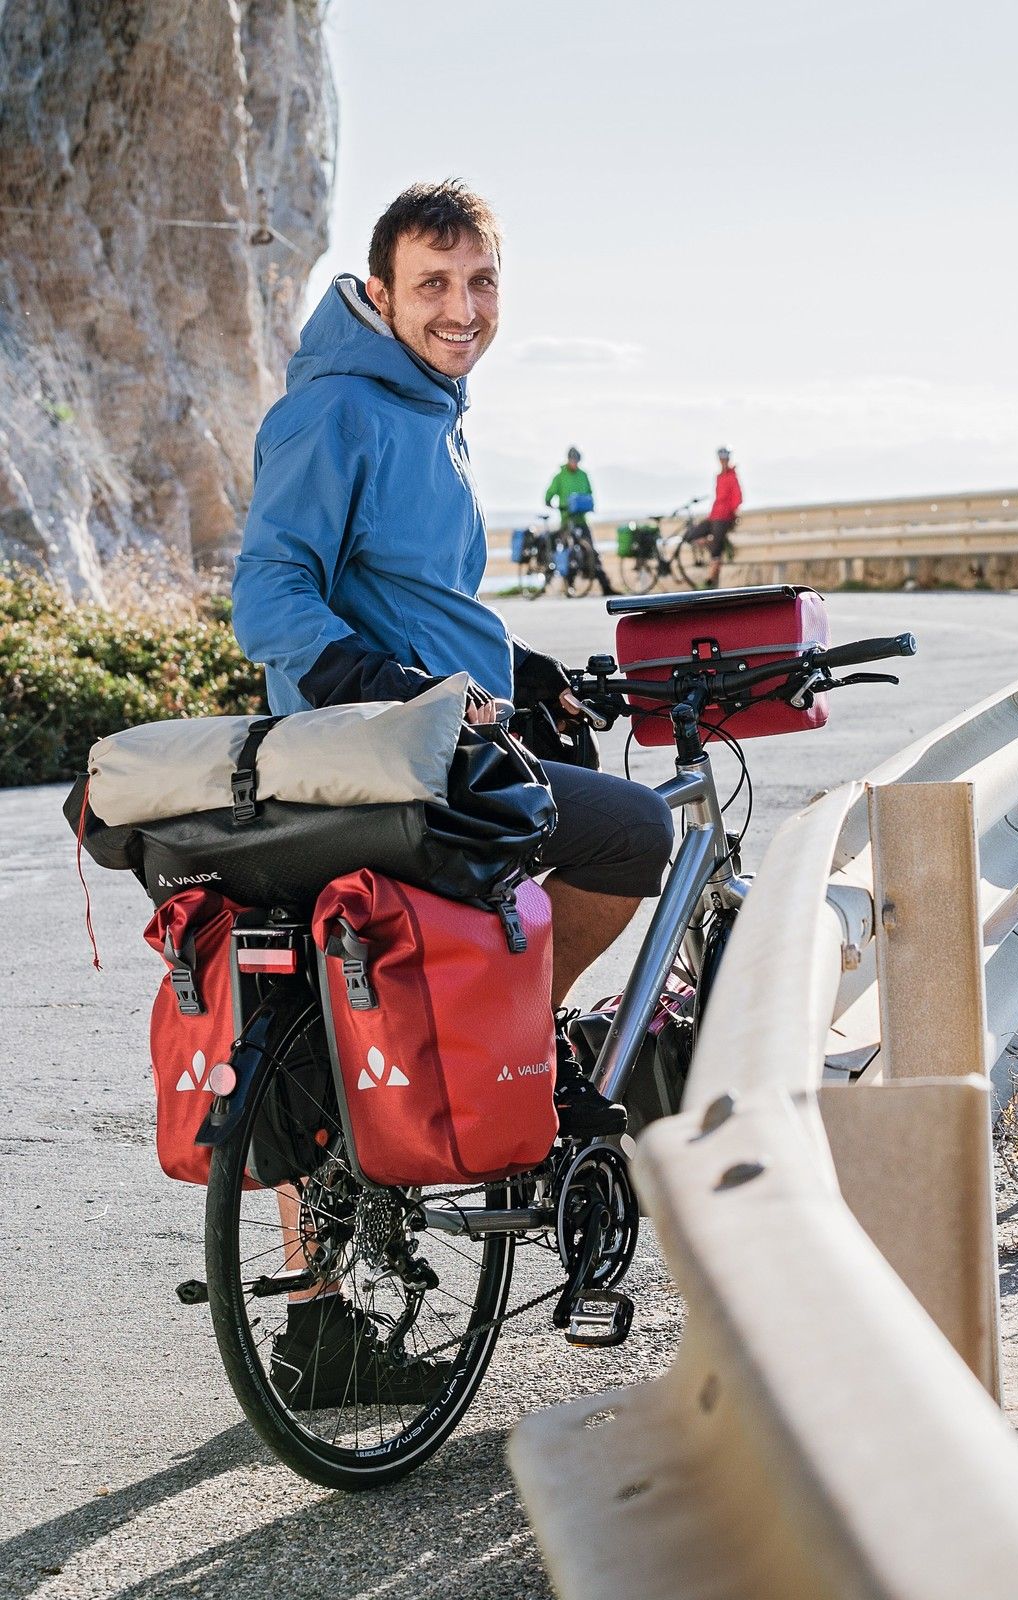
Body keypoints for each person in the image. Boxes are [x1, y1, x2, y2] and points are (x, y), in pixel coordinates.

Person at [231, 182, 674, 1396]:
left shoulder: (426, 407)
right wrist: (410, 691)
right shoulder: (339, 410)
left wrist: (519, 675)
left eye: (479, 282)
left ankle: (323, 1333)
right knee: (633, 833)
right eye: (432, 284)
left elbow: (411, 591)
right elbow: (270, 600)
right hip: (374, 758)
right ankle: (505, 1053)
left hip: (403, 742)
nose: (460, 307)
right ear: (379, 294)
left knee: (316, 1009)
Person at [544, 446, 617, 596]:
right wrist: (551, 503)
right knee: (568, 554)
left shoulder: (583, 475)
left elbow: (589, 493)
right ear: (568, 459)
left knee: (592, 552)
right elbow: (549, 495)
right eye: (572, 460)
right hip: (567, 521)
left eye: (577, 460)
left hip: (581, 519)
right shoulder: (560, 476)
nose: (574, 463)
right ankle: (569, 586)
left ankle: (606, 587)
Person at [688, 447, 743, 587]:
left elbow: (738, 498)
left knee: (717, 543)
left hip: (724, 517)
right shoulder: (719, 476)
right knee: (692, 534)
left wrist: (731, 512)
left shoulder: (732, 477)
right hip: (713, 516)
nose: (723, 461)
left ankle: (711, 577)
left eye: (725, 458)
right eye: (721, 458)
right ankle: (709, 544)